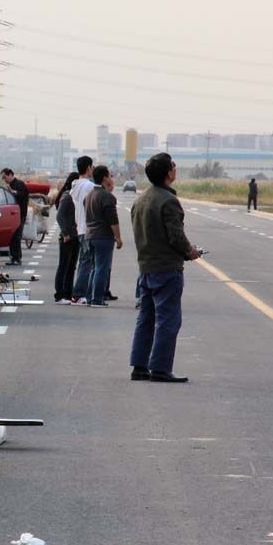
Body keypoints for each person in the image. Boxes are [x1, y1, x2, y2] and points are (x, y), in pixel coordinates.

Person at [129, 153, 200, 383]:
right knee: (168, 320)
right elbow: (176, 237)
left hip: (146, 268)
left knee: (146, 318)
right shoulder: (168, 201)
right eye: (173, 166)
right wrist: (190, 251)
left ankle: (139, 366)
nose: (175, 169)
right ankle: (160, 368)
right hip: (167, 270)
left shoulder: (141, 200)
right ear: (169, 173)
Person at [85, 165, 123, 307]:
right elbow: (113, 220)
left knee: (94, 268)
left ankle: (89, 297)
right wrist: (118, 238)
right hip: (103, 237)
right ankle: (97, 299)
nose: (111, 177)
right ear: (105, 177)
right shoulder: (107, 197)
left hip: (90, 235)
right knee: (102, 268)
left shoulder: (90, 195)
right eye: (109, 175)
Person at [69, 156, 96, 305]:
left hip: (80, 226)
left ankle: (79, 293)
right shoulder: (88, 186)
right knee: (87, 263)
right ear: (88, 168)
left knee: (84, 262)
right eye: (91, 167)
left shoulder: (75, 185)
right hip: (87, 228)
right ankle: (79, 294)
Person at [53, 172, 79, 304]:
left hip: (75, 236)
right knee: (64, 266)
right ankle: (59, 295)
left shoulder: (73, 196)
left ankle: (68, 294)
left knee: (71, 267)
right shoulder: (67, 196)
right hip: (67, 238)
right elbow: (59, 216)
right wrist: (65, 234)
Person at [1, 168, 29, 265]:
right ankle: (14, 257)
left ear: (10, 175)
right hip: (11, 214)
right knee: (12, 237)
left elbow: (23, 194)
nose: (4, 180)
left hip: (20, 214)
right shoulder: (10, 185)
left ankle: (17, 258)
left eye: (5, 177)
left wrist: (13, 192)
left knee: (17, 236)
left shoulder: (20, 184)